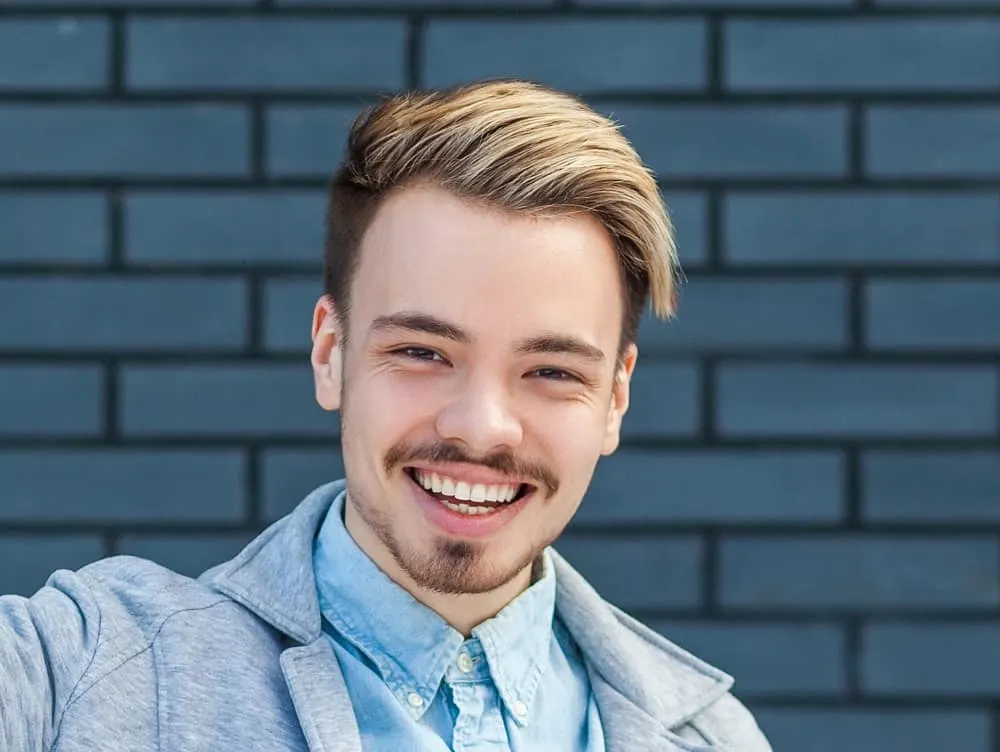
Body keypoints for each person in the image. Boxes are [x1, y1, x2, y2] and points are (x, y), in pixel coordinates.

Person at [0, 80, 771, 751]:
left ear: (615, 400)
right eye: (423, 353)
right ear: (330, 351)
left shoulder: (715, 738)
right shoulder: (81, 668)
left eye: (551, 371)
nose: (481, 427)